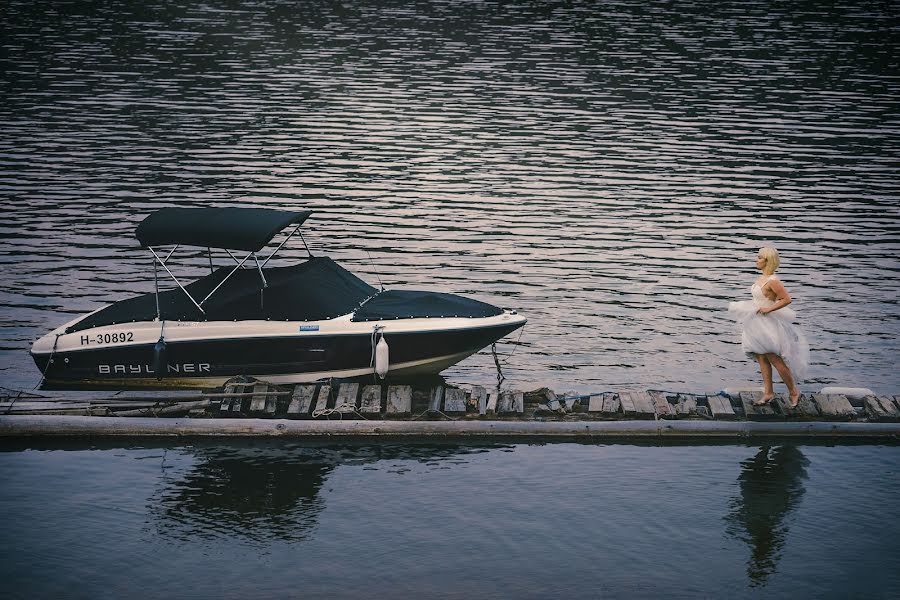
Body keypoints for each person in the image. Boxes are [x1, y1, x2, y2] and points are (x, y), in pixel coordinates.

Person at [728, 247, 809, 407]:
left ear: (768, 261)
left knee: (774, 358)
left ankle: (794, 391)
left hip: (768, 324)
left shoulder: (773, 281)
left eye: (759, 258)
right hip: (756, 322)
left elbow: (786, 299)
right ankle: (768, 393)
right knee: (762, 358)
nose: (756, 260)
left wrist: (768, 309)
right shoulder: (761, 279)